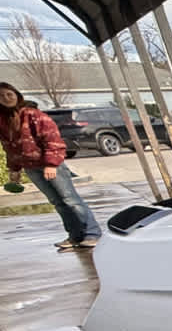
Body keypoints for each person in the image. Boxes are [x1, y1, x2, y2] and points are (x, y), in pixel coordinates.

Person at [0, 81, 102, 251]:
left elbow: (52, 139)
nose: (6, 98)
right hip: (30, 167)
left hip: (50, 165)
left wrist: (51, 164)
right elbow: (9, 147)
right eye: (1, 96)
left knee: (70, 199)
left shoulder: (33, 114)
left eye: (9, 94)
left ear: (17, 95)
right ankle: (75, 235)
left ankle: (92, 233)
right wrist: (14, 169)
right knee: (57, 202)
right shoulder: (4, 121)